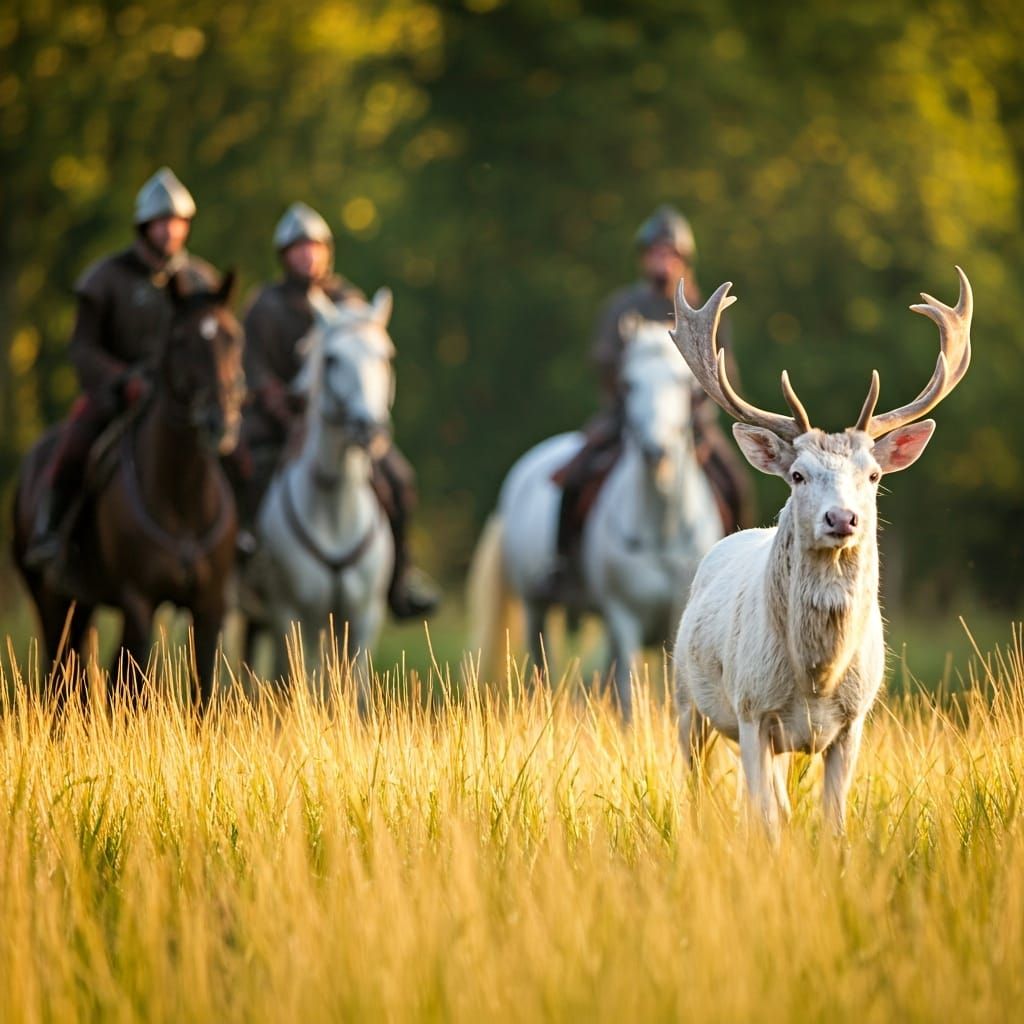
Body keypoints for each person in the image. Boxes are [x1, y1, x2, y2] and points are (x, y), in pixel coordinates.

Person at [234, 202, 440, 621]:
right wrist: (283, 410)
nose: (307, 256)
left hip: (342, 425)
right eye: (298, 248)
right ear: (284, 256)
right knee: (241, 466)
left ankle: (401, 574)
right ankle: (244, 559)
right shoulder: (264, 305)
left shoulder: (348, 300)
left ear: (327, 252)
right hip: (279, 421)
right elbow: (253, 369)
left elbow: (363, 358)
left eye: (314, 247)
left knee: (398, 480)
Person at [24, 167, 220, 569]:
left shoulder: (200, 279)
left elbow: (215, 345)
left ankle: (241, 540)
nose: (171, 231)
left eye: (178, 223)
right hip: (117, 396)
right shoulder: (106, 277)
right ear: (145, 226)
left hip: (184, 401)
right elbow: (82, 347)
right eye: (162, 223)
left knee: (234, 452)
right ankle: (51, 531)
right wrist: (121, 380)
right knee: (75, 445)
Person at [552, 204, 754, 582]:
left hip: (693, 422)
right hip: (626, 416)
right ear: (643, 258)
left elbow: (727, 374)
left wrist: (696, 404)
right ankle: (565, 565)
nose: (661, 261)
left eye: (670, 253)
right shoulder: (622, 306)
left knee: (735, 484)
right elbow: (602, 361)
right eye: (654, 252)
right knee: (575, 475)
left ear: (683, 258)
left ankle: (734, 575)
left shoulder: (706, 310)